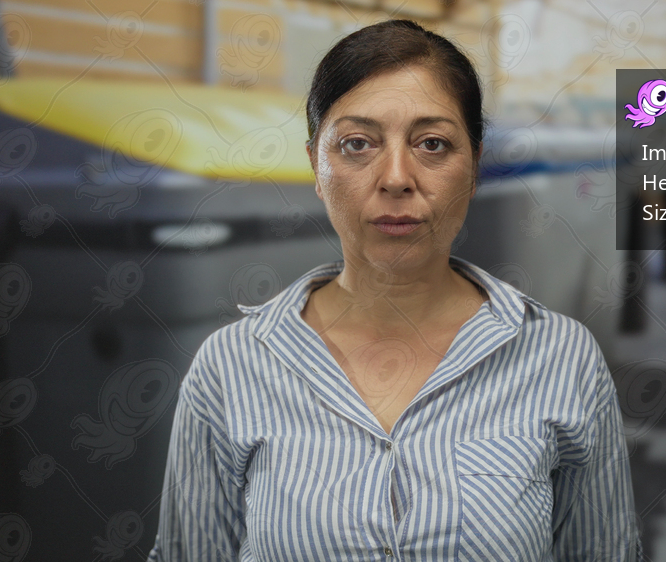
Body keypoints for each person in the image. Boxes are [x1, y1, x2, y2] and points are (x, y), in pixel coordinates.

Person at [147, 18, 639, 561]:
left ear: (475, 167)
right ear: (315, 165)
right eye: (357, 144)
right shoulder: (231, 366)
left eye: (432, 144)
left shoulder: (561, 358)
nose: (397, 177)